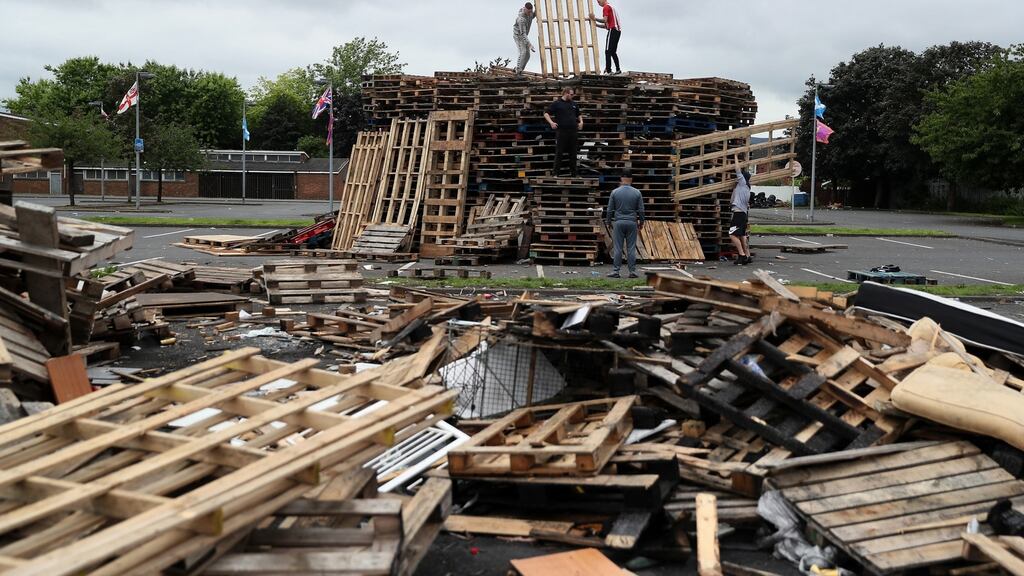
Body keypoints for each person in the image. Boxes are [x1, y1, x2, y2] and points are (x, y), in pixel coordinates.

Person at [606, 172, 645, 278]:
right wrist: (641, 222)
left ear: (621, 179)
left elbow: (610, 209)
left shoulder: (615, 192)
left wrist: (608, 222)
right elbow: (641, 210)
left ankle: (616, 271)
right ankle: (632, 271)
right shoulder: (637, 193)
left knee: (618, 247)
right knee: (631, 248)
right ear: (631, 180)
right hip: (632, 222)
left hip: (619, 222)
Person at [544, 87, 583, 176]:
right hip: (562, 131)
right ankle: (555, 174)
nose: (572, 96)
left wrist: (581, 122)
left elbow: (579, 114)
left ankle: (574, 174)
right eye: (571, 94)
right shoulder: (557, 104)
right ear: (566, 93)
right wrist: (551, 123)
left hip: (573, 131)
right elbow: (546, 113)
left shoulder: (573, 104)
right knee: (559, 153)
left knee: (573, 153)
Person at [729, 154, 753, 265]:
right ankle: (747, 255)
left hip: (739, 214)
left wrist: (735, 156)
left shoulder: (742, 183)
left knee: (732, 234)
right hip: (743, 214)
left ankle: (742, 255)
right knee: (742, 235)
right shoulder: (746, 187)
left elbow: (737, 169)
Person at [591, 0, 622, 75]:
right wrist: (596, 25)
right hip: (618, 31)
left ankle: (608, 70)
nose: (598, 3)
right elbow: (607, 25)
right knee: (613, 52)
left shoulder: (606, 7)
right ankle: (618, 69)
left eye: (599, 1)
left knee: (607, 51)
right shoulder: (611, 7)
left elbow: (604, 20)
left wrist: (594, 18)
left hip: (613, 30)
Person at [513, 3, 536, 76]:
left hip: (524, 35)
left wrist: (537, 7)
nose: (530, 13)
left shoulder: (530, 13)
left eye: (530, 11)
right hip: (518, 35)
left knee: (528, 55)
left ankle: (520, 70)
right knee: (523, 51)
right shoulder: (521, 19)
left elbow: (533, 15)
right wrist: (530, 45)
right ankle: (518, 71)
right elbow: (523, 34)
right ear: (525, 9)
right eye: (528, 12)